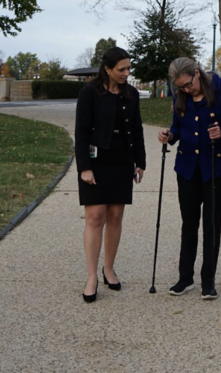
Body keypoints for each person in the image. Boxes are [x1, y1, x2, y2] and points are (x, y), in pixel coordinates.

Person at [158, 57, 221, 300]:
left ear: (197, 73)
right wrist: (169, 134)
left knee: (212, 224)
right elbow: (178, 127)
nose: (185, 90)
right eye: (180, 87)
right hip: (187, 168)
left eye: (188, 84)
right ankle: (185, 278)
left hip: (217, 167)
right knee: (189, 223)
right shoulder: (180, 95)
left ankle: (209, 281)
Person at [75, 47, 146, 303]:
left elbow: (136, 129)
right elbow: (81, 131)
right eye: (121, 69)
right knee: (95, 217)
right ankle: (91, 276)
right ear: (107, 69)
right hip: (96, 160)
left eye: (128, 68)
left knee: (115, 216)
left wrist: (140, 162)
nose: (127, 73)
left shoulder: (131, 94)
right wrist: (84, 167)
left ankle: (109, 269)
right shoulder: (89, 92)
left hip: (122, 160)